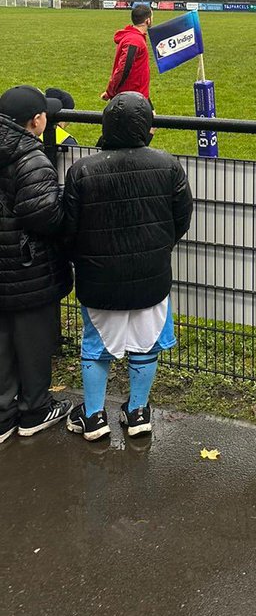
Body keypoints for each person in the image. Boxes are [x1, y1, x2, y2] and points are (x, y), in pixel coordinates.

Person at [64, 93, 193, 441]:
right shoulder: (167, 164)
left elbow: (68, 228)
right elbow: (181, 218)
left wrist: (86, 258)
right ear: (147, 129)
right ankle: (137, 412)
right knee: (146, 343)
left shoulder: (81, 170)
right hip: (151, 275)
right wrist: (156, 248)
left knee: (96, 345)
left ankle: (93, 418)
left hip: (98, 278)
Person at [0, 86, 73, 442]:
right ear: (38, 120)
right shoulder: (31, 157)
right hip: (27, 268)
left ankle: (3, 415)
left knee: (1, 339)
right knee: (32, 339)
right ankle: (35, 410)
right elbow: (44, 216)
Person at [102, 3, 152, 102]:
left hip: (138, 95)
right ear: (148, 20)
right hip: (131, 100)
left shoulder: (135, 37)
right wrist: (110, 92)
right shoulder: (134, 40)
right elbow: (123, 69)